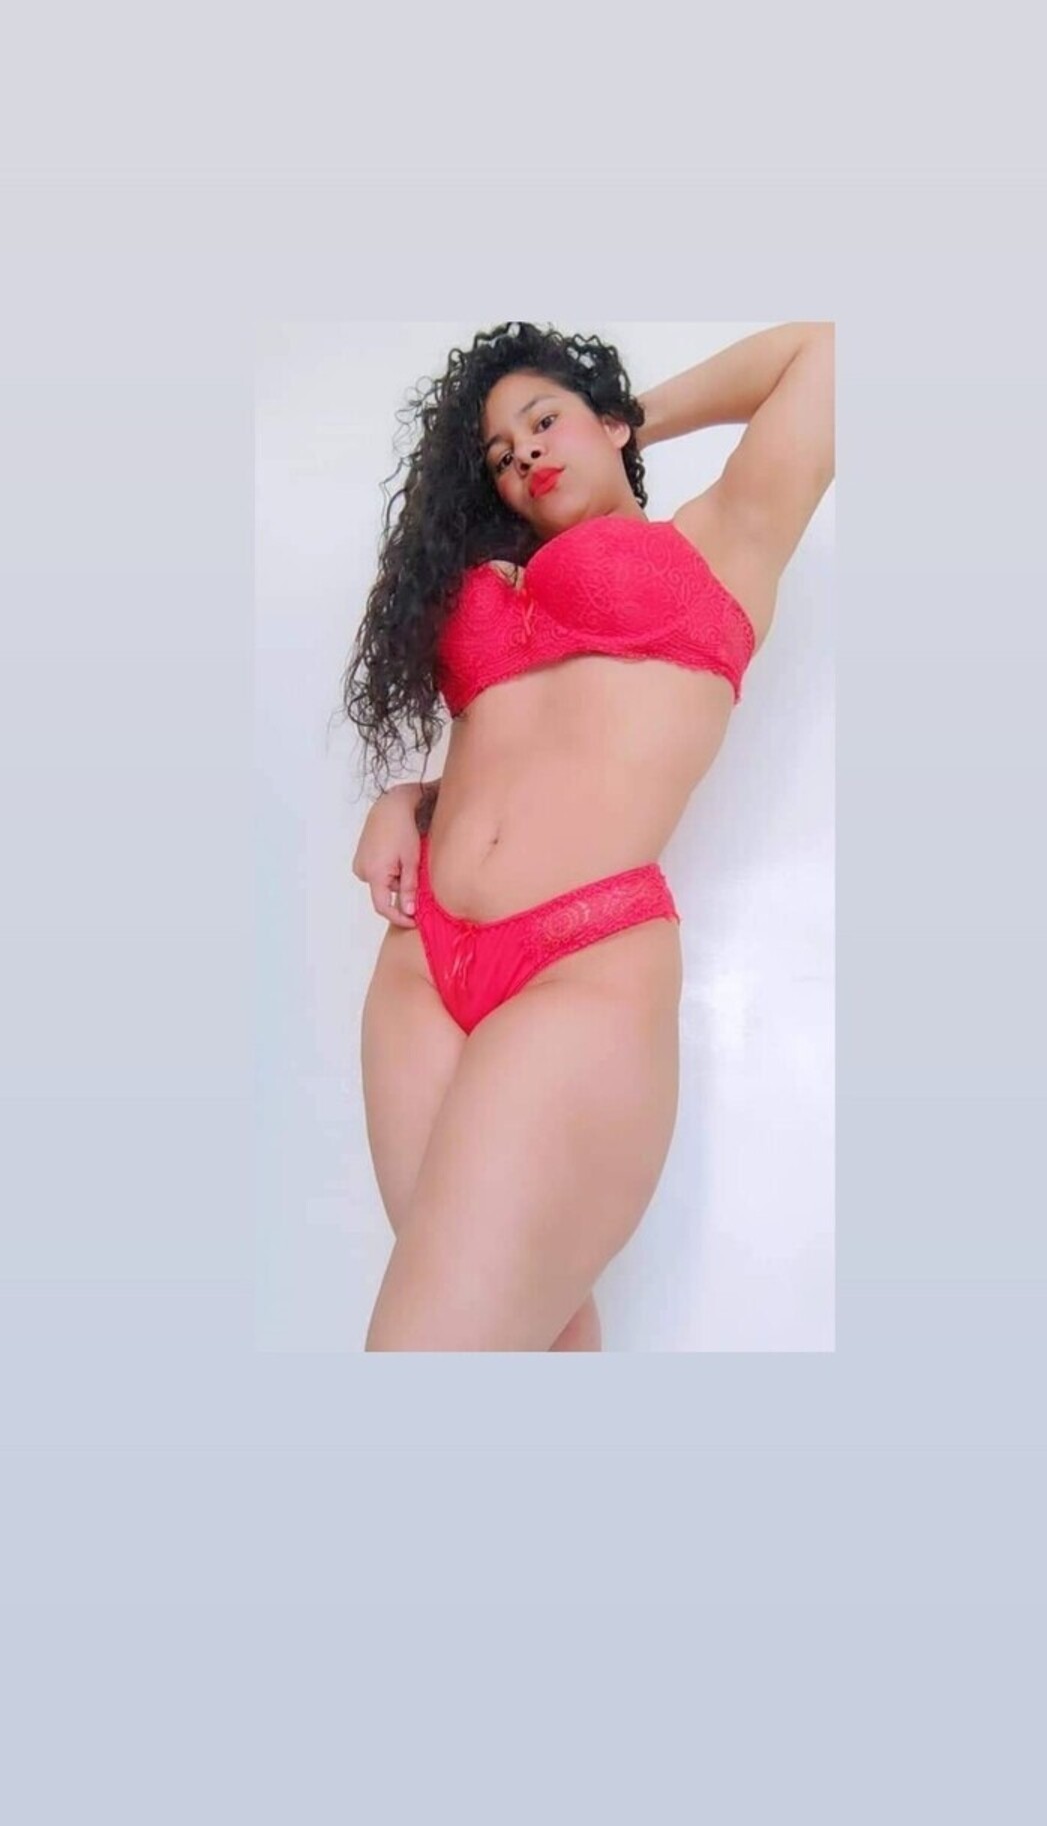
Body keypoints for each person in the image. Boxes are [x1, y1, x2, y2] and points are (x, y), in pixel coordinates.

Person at [340, 320, 834, 1351]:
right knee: (532, 1329)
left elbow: (830, 355)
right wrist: (408, 800)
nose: (524, 454)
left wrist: (632, 417)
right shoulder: (501, 581)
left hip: (578, 964)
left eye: (544, 421)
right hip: (420, 966)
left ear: (607, 422)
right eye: (499, 455)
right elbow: (524, 751)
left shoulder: (723, 539)